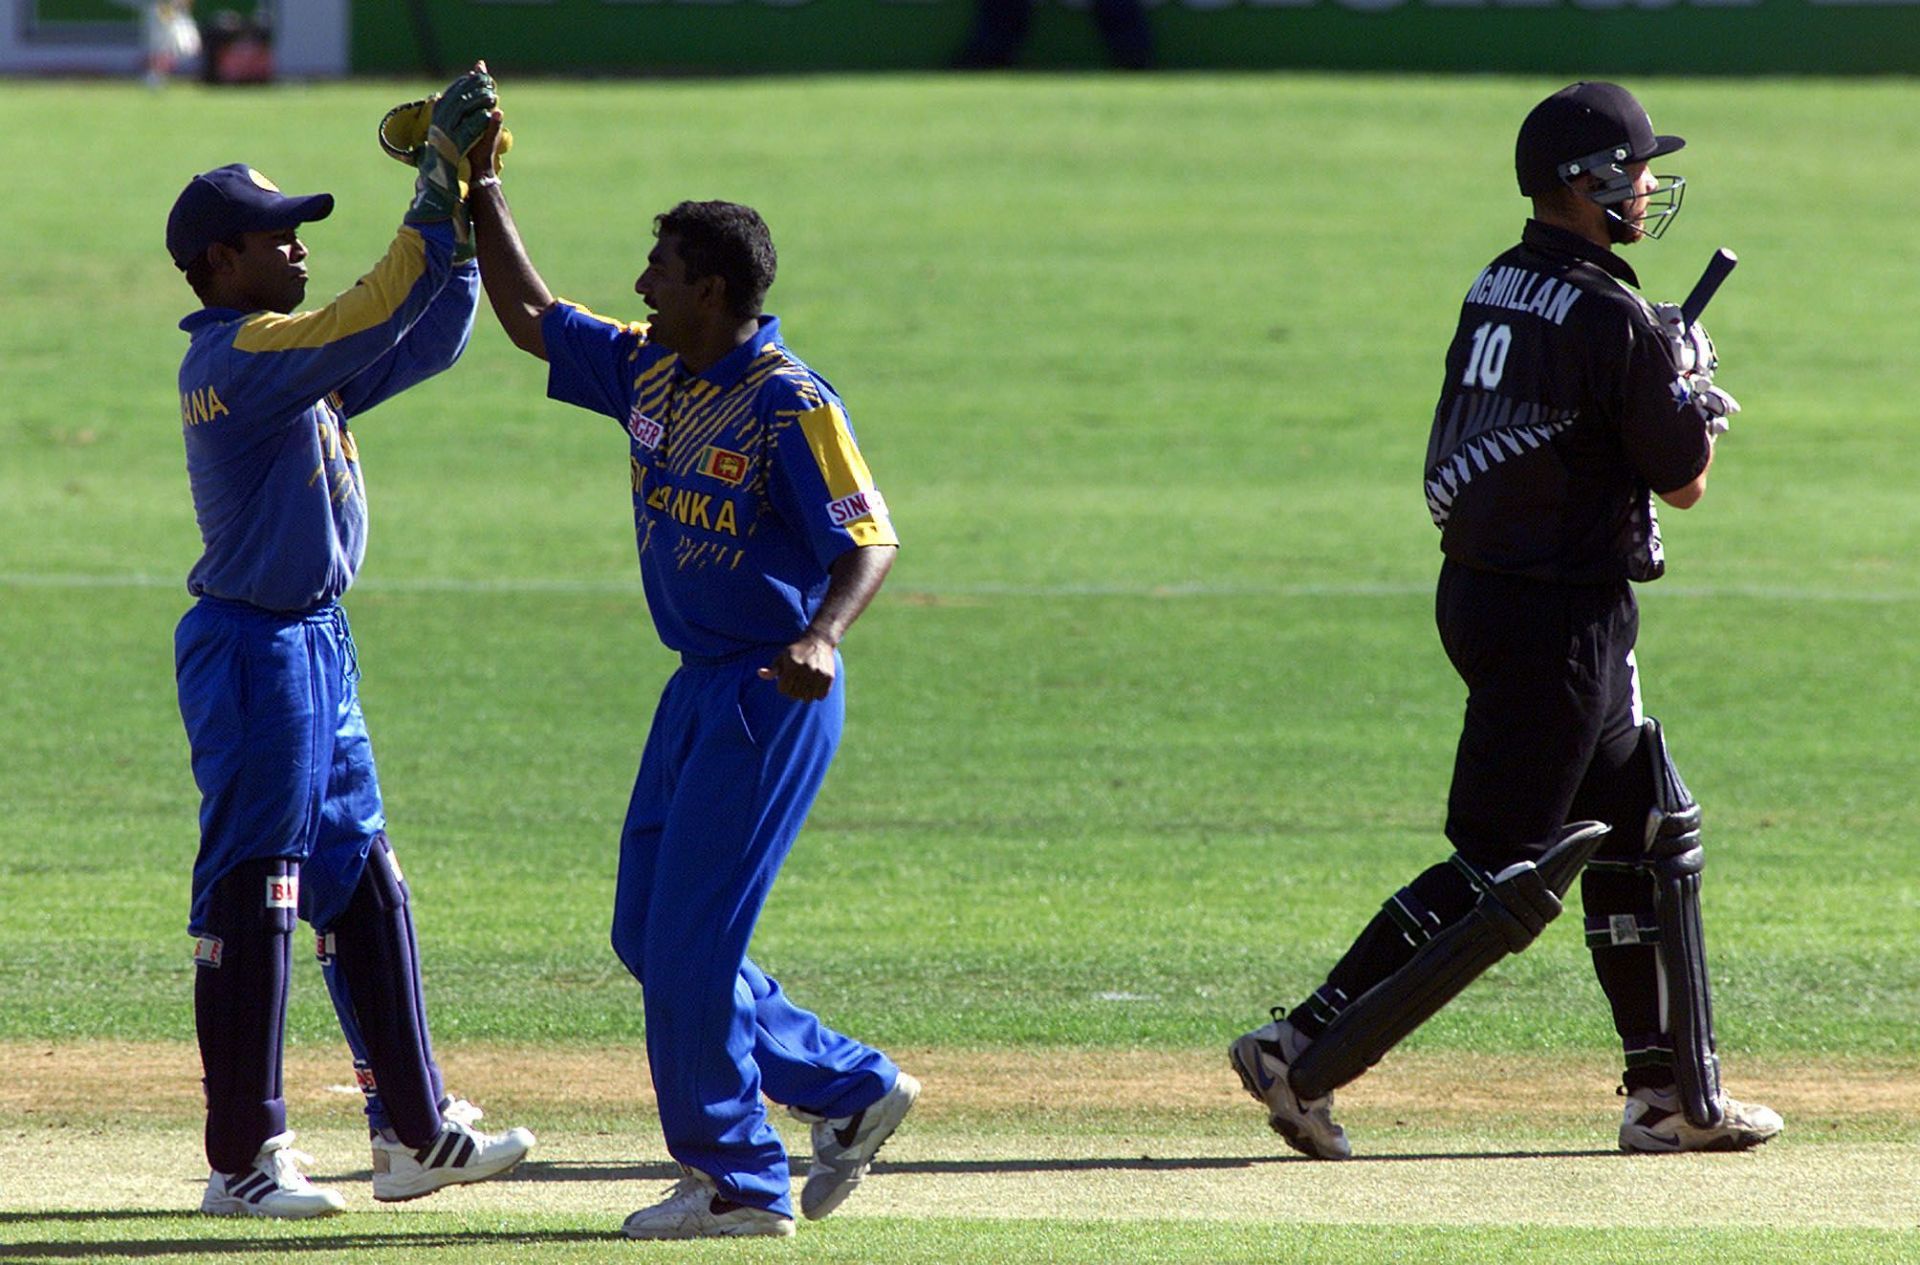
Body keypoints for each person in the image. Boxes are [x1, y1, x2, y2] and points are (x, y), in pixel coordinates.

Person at [1230, 81, 1781, 1160]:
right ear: (1587, 185)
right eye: (1636, 170)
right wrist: (1690, 388)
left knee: (1645, 828)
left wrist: (1653, 376)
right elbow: (1683, 482)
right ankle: (1301, 1046)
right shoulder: (1613, 314)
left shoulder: (1504, 280)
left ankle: (1669, 1094)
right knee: (1503, 866)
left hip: (1487, 592)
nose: (1650, 185)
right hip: (1558, 615)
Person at [465, 114, 918, 1239]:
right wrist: (479, 187)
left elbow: (872, 538)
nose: (640, 283)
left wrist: (822, 637)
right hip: (695, 689)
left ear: (712, 288)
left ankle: (740, 1178)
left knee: (692, 945)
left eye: (660, 271)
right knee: (646, 931)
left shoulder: (789, 400)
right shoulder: (653, 366)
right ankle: (848, 1084)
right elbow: (530, 318)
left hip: (773, 688)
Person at [167, 63, 535, 1219]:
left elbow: (421, 336)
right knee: (255, 888)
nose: (293, 250)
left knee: (362, 880)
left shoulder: (292, 360)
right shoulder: (241, 359)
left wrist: (467, 215)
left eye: (294, 235)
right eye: (271, 239)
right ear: (216, 265)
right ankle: (243, 1158)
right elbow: (373, 305)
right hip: (252, 651)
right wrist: (433, 185)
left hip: (315, 647)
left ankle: (414, 1132)